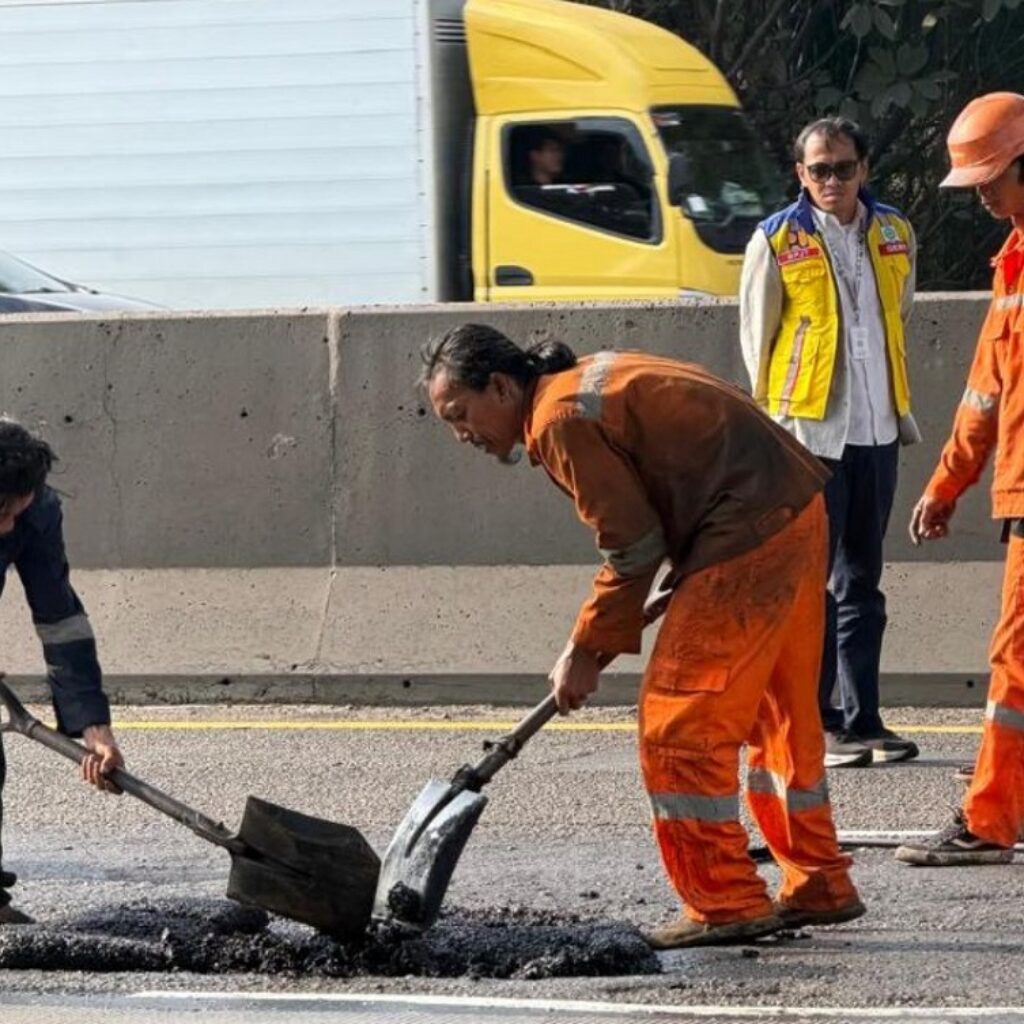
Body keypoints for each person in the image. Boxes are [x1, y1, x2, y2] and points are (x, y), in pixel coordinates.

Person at [421, 324, 864, 949]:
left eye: (460, 414)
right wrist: (683, 556)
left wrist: (584, 650)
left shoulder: (558, 420)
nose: (462, 434)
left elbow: (631, 547)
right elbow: (660, 511)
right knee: (778, 716)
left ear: (499, 385)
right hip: (791, 514)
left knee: (678, 726)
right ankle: (819, 883)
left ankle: (726, 901)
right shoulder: (586, 380)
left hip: (745, 532)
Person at [740, 116, 920, 769]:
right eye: (819, 169)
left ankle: (862, 718)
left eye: (843, 168)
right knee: (810, 582)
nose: (832, 181)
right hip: (809, 434)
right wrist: (769, 434)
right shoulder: (776, 239)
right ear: (800, 174)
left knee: (863, 580)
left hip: (876, 427)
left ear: (863, 168)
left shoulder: (895, 231)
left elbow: (894, 318)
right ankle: (813, 720)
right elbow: (756, 341)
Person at [896, 93, 1024, 866]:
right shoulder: (1011, 264)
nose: (979, 192)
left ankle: (988, 822)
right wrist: (947, 485)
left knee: (1016, 662)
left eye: (990, 177)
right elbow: (984, 393)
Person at [0, 419, 124, 923]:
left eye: (16, 511)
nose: (8, 528)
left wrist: (92, 726)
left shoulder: (37, 511)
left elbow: (60, 620)